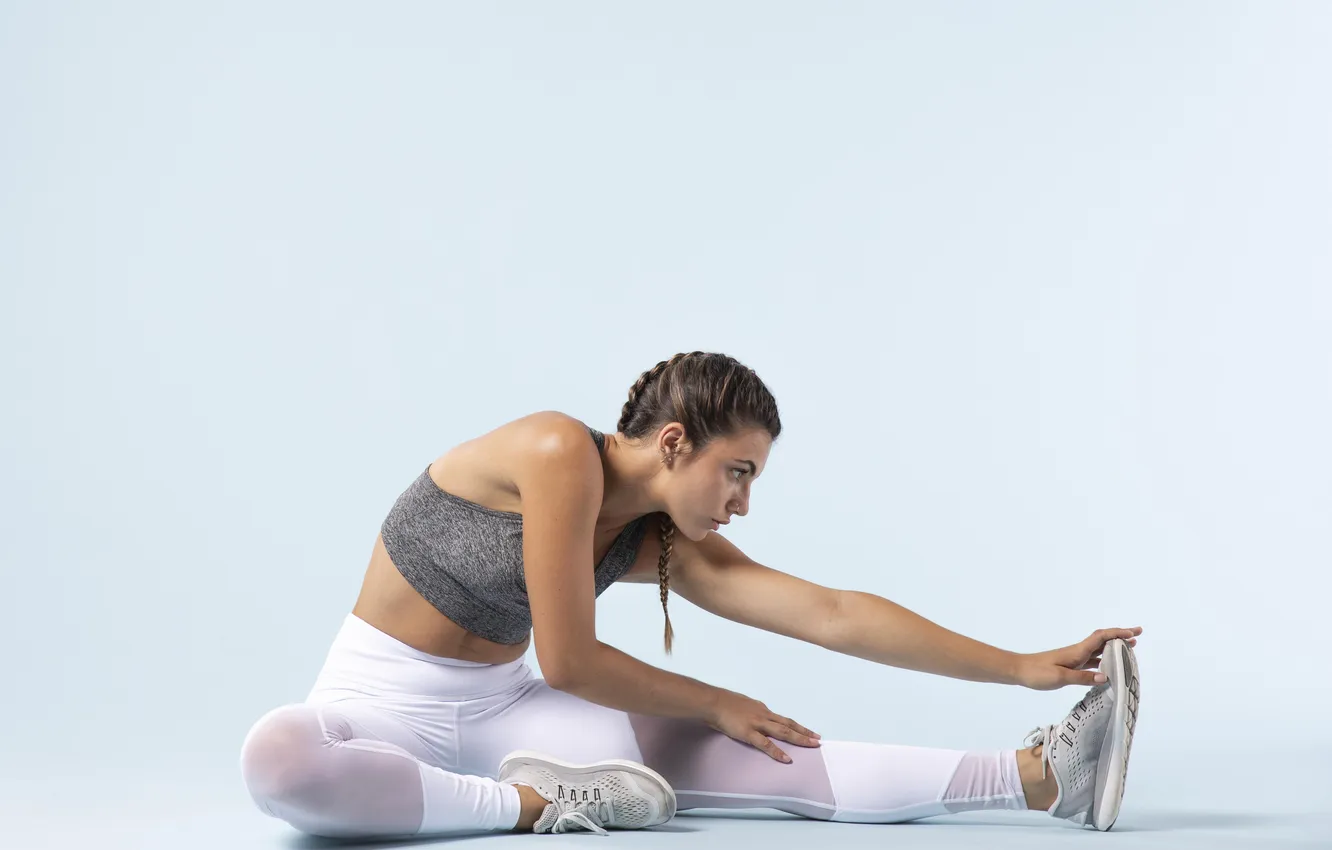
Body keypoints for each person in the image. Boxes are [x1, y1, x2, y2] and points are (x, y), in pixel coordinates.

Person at [238, 351, 1142, 838]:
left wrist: (1023, 666)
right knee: (282, 763)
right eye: (736, 473)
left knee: (760, 758)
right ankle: (541, 808)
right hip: (382, 708)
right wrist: (715, 699)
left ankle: (1040, 780)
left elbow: (829, 613)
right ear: (674, 442)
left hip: (510, 715)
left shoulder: (657, 537)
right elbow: (571, 657)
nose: (744, 502)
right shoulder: (556, 453)